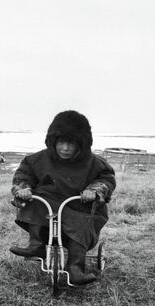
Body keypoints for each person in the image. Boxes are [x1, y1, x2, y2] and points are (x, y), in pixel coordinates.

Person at [9, 110, 116, 285]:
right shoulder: (36, 159)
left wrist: (94, 191)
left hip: (80, 207)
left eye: (71, 144)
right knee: (35, 201)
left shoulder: (95, 163)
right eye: (61, 142)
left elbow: (106, 179)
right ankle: (36, 245)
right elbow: (23, 175)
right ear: (53, 141)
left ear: (81, 144)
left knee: (82, 223)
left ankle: (75, 268)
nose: (65, 148)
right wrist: (24, 189)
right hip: (49, 206)